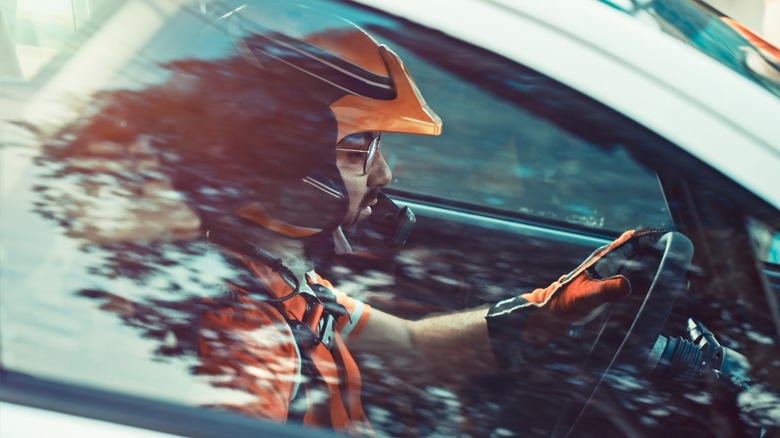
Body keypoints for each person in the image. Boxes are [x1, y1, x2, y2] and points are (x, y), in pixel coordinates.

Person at [34, 2, 672, 435]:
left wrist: (543, 311)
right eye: (357, 151)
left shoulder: (281, 281)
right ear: (283, 162)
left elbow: (415, 349)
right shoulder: (240, 330)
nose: (384, 175)